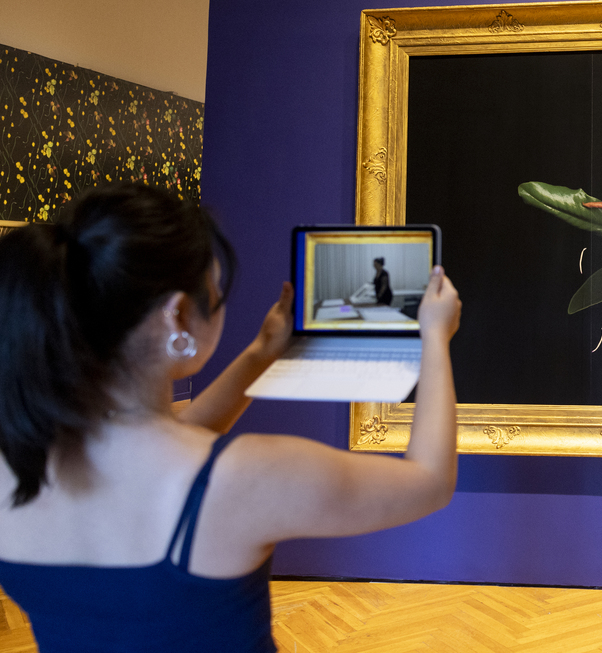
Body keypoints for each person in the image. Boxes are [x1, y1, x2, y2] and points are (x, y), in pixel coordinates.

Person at [0, 184, 460, 652]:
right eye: (217, 291)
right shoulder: (242, 477)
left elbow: (168, 447)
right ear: (177, 314)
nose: (219, 301)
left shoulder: (14, 459)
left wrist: (261, 353)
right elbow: (429, 481)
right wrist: (434, 338)